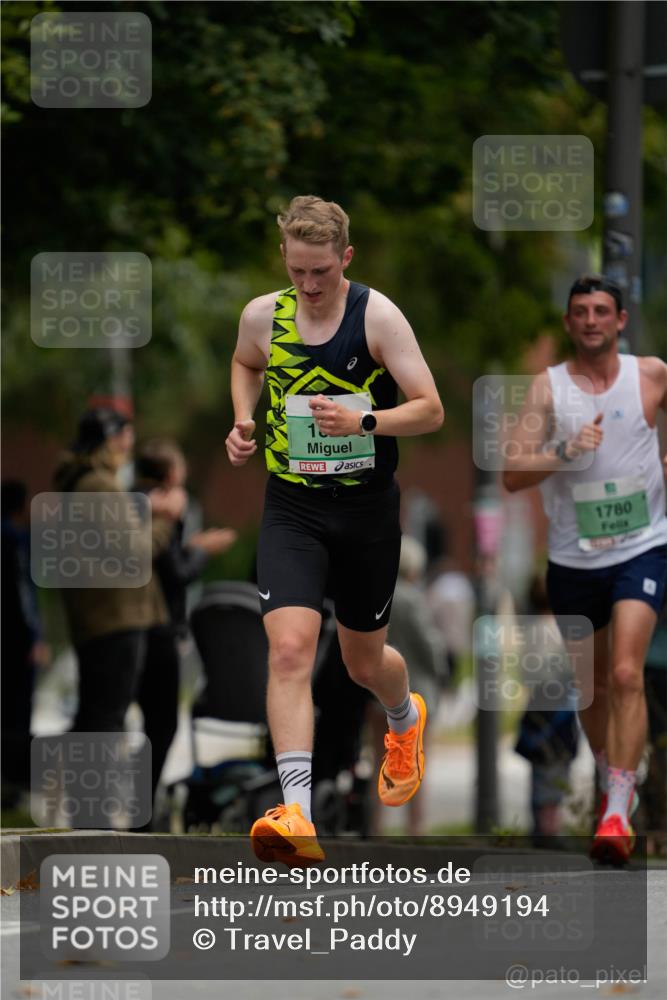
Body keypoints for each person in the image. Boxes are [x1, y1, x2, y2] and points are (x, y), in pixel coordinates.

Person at [225, 195, 444, 863]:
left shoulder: (375, 316)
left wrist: (365, 423)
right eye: (297, 272)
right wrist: (242, 420)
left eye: (320, 271)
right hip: (292, 506)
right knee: (289, 650)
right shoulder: (263, 316)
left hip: (366, 512)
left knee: (361, 663)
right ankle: (296, 813)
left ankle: (404, 720)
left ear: (344, 258)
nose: (309, 285)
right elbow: (244, 364)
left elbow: (430, 409)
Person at [503, 275, 667, 864]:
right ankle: (613, 771)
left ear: (621, 320)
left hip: (642, 547)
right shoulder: (548, 390)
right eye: (580, 312)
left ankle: (617, 807)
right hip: (573, 561)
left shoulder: (650, 374)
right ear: (569, 323)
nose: (591, 320)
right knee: (593, 688)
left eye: (602, 311)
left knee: (627, 674)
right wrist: (565, 453)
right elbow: (513, 474)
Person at [53, 408, 184, 735]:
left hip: (103, 617)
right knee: (106, 717)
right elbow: (135, 552)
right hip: (115, 618)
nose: (129, 447)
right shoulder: (98, 485)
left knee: (98, 714)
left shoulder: (81, 483)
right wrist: (165, 518)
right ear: (110, 441)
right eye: (125, 439)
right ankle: (84, 785)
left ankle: (74, 782)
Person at [133, 438, 237, 819]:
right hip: (155, 625)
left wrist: (191, 545)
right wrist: (203, 552)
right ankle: (139, 810)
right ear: (171, 472)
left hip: (132, 624)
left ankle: (135, 807)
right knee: (160, 723)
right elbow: (174, 572)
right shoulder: (164, 506)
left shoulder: (131, 500)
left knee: (133, 719)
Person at [368, 535, 446, 835]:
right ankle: (416, 828)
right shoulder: (412, 598)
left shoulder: (377, 594)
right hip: (415, 690)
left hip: (376, 691)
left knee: (379, 759)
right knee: (415, 759)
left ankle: (376, 827)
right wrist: (442, 673)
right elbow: (429, 643)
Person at [1, 480, 49, 805]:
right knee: (18, 710)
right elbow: (22, 594)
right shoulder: (14, 540)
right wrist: (35, 636)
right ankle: (14, 781)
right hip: (16, 639)